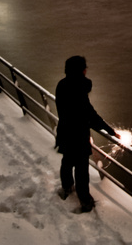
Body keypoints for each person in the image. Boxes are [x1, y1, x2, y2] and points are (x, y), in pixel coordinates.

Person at [54, 55, 114, 212]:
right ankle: (85, 200)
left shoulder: (62, 85)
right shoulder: (80, 88)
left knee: (67, 162)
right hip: (78, 133)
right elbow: (89, 113)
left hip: (65, 130)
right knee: (81, 167)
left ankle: (67, 187)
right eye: (84, 68)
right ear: (81, 70)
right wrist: (109, 130)